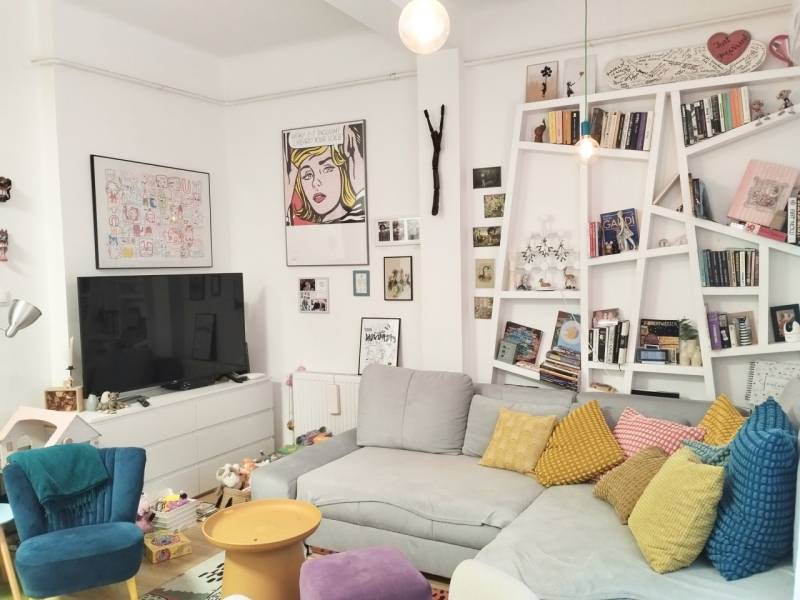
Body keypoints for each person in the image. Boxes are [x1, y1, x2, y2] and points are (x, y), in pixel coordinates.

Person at [284, 123, 365, 225]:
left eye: (327, 169)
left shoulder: (357, 218)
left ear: (343, 171)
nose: (315, 183)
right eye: (307, 175)